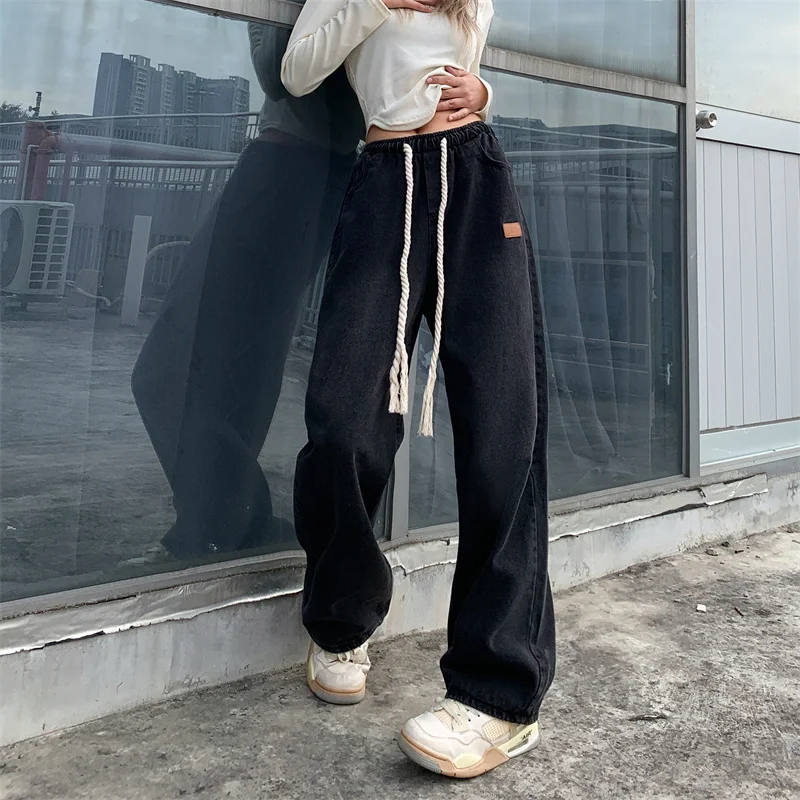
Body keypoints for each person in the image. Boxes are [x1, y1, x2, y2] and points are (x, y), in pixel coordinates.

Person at [282, 0, 555, 779]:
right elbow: (300, 71)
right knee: (342, 421)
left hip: (474, 180)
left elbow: (466, 69)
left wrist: (484, 93)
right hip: (384, 184)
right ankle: (341, 622)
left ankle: (498, 695)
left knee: (504, 429)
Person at [130, 23, 362, 560]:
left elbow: (279, 73)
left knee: (169, 369)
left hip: (290, 171)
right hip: (303, 173)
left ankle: (232, 526)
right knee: (241, 366)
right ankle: (223, 528)